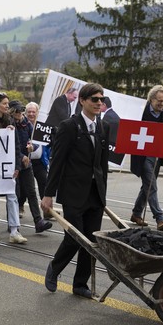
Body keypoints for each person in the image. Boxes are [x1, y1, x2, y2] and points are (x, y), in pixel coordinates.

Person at [42, 83, 110, 299]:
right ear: (82, 101)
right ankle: (54, 268)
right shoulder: (69, 126)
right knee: (75, 238)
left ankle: (80, 284)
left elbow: (102, 164)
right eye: (94, 99)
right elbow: (57, 161)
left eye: (101, 99)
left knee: (92, 242)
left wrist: (103, 194)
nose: (99, 103)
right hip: (73, 193)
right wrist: (48, 194)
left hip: (94, 193)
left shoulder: (102, 127)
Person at [130, 85, 163, 231]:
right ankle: (160, 218)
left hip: (157, 156)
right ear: (151, 99)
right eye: (159, 101)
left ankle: (136, 213)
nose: (162, 104)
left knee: (148, 185)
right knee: (151, 185)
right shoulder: (141, 111)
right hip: (142, 156)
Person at [0, 92, 27, 244]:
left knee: (12, 197)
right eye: (4, 103)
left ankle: (14, 231)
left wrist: (17, 166)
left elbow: (16, 145)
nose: (7, 106)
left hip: (7, 166)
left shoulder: (10, 120)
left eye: (8, 103)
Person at [10, 101, 52, 233]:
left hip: (27, 165)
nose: (19, 114)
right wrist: (22, 156)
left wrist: (32, 147)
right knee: (15, 194)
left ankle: (38, 221)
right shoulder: (9, 125)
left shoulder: (27, 124)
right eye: (16, 111)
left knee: (32, 193)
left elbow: (36, 141)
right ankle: (13, 223)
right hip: (14, 164)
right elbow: (10, 145)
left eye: (20, 110)